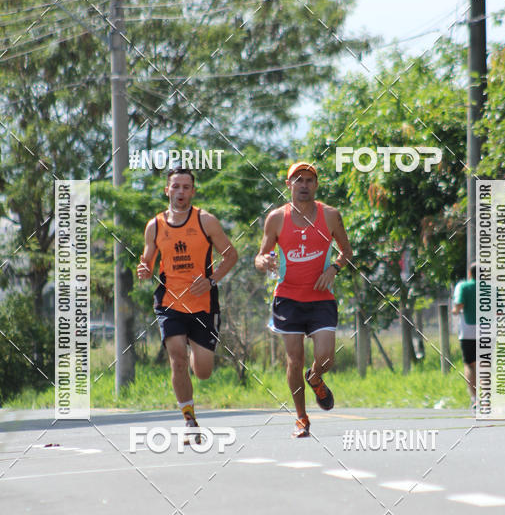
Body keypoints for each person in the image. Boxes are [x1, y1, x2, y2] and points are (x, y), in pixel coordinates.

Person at [137, 167, 238, 437]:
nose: (180, 192)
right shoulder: (155, 226)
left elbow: (230, 255)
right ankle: (189, 419)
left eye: (186, 187)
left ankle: (197, 350)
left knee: (203, 371)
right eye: (176, 186)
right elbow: (146, 261)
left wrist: (212, 279)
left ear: (193, 191)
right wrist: (144, 270)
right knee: (177, 361)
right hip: (169, 301)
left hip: (203, 303)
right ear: (167, 190)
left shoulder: (206, 221)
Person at [255, 162, 353, 438]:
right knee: (293, 359)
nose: (304, 185)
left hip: (321, 298)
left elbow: (346, 251)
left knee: (326, 356)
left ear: (316, 185)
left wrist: (333, 269)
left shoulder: (331, 215)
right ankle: (301, 418)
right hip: (287, 298)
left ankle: (316, 377)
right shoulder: (276, 218)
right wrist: (264, 261)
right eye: (298, 180)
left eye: (309, 180)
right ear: (289, 185)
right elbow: (260, 256)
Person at [452, 262, 477, 410]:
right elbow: (499, 310)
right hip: (488, 330)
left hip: (468, 331)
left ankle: (475, 399)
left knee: (470, 365)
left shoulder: (463, 286)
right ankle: (487, 398)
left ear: (469, 274)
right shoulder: (492, 288)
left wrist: (455, 311)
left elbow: (458, 306)